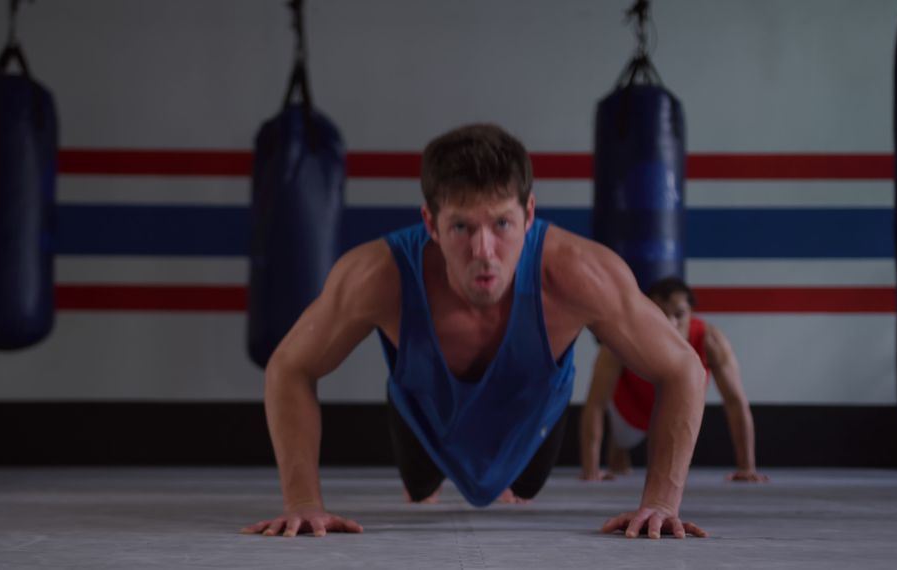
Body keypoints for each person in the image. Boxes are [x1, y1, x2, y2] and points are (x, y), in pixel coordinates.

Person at [240, 124, 708, 540]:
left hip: (533, 416)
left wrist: (662, 503)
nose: (484, 251)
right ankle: (426, 460)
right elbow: (290, 366)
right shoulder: (376, 275)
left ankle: (509, 470)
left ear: (529, 214)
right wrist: (302, 503)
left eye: (502, 223)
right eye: (461, 226)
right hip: (422, 413)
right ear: (431, 223)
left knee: (525, 485)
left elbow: (683, 368)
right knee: (420, 485)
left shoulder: (581, 272)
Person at [580, 278, 768, 483]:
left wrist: (747, 467)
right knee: (620, 451)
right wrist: (591, 470)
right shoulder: (623, 338)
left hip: (677, 409)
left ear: (691, 314)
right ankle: (618, 447)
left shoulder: (710, 340)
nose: (670, 323)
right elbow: (595, 404)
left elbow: (735, 402)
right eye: (659, 315)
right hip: (629, 414)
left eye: (679, 315)